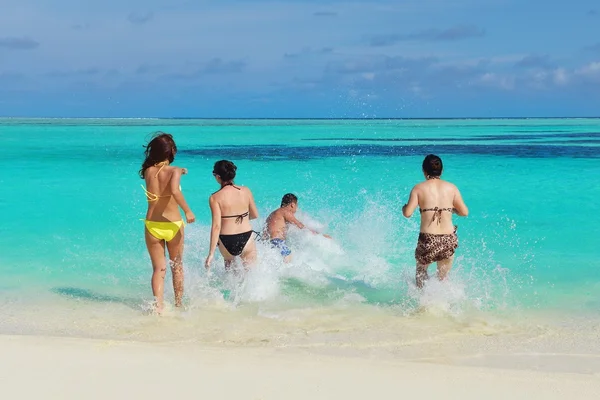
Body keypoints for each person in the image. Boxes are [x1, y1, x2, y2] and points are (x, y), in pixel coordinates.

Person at [140, 132, 195, 314]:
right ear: (171, 151)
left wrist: (180, 171)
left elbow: (160, 177)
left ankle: (158, 307)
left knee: (159, 269)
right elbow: (173, 190)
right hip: (172, 224)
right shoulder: (174, 170)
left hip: (152, 225)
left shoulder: (148, 171)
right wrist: (187, 210)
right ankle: (179, 304)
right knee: (177, 266)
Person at [402, 154, 468, 289]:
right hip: (447, 239)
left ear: (424, 170)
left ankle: (423, 304)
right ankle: (443, 305)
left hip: (427, 240)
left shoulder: (418, 188)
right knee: (443, 279)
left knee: (421, 273)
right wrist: (452, 210)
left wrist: (404, 207)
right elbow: (464, 212)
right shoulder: (451, 188)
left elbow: (407, 213)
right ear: (441, 171)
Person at [205, 160, 259, 271]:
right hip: (246, 237)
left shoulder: (214, 197)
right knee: (251, 275)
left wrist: (211, 254)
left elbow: (216, 226)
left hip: (226, 240)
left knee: (230, 278)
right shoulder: (246, 191)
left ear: (218, 177)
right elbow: (254, 215)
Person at [264, 193, 331, 262]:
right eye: (297, 205)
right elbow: (300, 226)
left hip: (267, 243)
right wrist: (320, 235)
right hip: (277, 241)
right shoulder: (285, 211)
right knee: (288, 259)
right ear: (293, 205)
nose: (297, 209)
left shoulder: (273, 214)